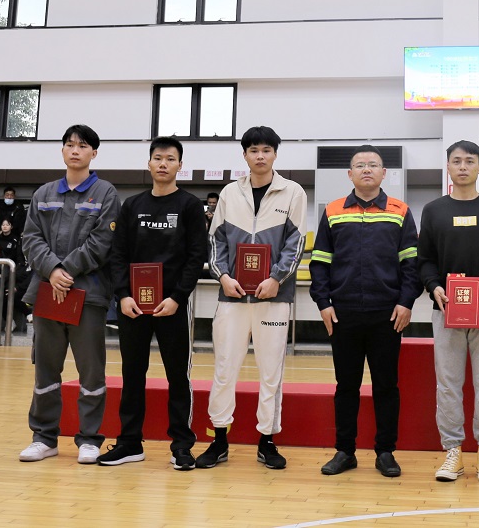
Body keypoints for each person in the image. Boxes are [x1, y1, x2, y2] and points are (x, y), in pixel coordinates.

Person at [199, 126, 307, 471]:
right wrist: (224, 276)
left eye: (266, 150)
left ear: (275, 154)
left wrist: (276, 279)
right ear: (244, 155)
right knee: (224, 368)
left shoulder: (293, 192)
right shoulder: (230, 193)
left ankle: (267, 441)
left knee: (271, 371)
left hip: (274, 298)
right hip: (231, 298)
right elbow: (216, 241)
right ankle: (219, 439)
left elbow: (296, 243)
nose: (260, 156)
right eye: (253, 150)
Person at [310, 145, 422, 478]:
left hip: (387, 315)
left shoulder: (400, 211)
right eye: (360, 165)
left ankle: (385, 452)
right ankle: (345, 451)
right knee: (346, 386)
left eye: (373, 165)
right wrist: (323, 303)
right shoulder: (333, 211)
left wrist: (406, 302)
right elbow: (320, 262)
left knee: (386, 386)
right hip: (343, 315)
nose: (367, 169)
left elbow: (411, 264)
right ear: (350, 174)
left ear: (384, 173)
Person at [99, 137, 207, 471]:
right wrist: (123, 295)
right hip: (134, 306)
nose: (163, 164)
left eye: (170, 159)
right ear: (149, 164)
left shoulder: (190, 206)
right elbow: (118, 254)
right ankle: (130, 443)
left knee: (178, 377)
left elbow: (196, 256)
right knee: (132, 374)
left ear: (180, 166)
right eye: (157, 158)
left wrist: (177, 297)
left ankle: (181, 446)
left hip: (172, 306)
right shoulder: (132, 206)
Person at [18, 124, 121, 465]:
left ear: (94, 153)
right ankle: (44, 437)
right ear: (62, 150)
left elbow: (102, 242)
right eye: (70, 145)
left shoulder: (106, 193)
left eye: (83, 145)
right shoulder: (44, 193)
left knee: (91, 370)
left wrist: (66, 270)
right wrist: (52, 270)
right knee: (46, 369)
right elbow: (31, 238)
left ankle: (89, 439)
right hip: (48, 292)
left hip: (87, 295)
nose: (75, 150)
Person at [417, 140, 479, 484]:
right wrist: (434, 286)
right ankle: (453, 452)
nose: (463, 166)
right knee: (448, 383)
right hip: (446, 309)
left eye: (469, 161)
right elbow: (424, 259)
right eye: (457, 161)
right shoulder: (433, 210)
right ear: (448, 167)